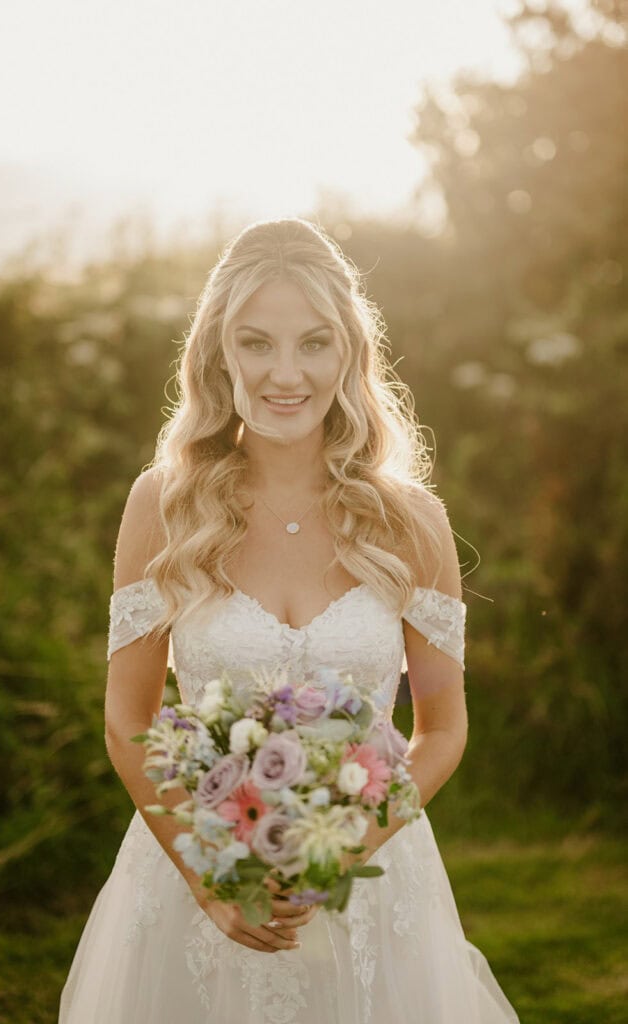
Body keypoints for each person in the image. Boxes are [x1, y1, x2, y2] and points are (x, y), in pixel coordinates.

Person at [59, 217, 520, 1022]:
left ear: (349, 351)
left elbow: (442, 728)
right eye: (256, 343)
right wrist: (211, 876)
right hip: (198, 876)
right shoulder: (163, 506)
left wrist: (345, 848)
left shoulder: (411, 522)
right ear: (218, 352)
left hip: (371, 883)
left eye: (313, 343)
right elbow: (129, 720)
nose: (285, 373)